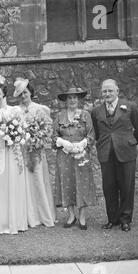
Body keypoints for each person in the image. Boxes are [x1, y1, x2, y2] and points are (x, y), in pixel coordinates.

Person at [91, 79, 138, 232]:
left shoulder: (130, 107)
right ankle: (112, 219)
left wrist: (131, 142)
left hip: (126, 152)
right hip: (106, 153)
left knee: (126, 186)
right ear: (101, 93)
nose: (107, 94)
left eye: (110, 90)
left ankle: (125, 219)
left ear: (117, 91)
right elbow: (96, 132)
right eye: (104, 91)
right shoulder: (96, 111)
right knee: (109, 187)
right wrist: (101, 144)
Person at [0, 74, 30, 234]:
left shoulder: (14, 110)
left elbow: (22, 130)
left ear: (4, 94)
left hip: (11, 153)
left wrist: (12, 135)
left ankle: (14, 221)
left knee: (12, 184)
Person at [13, 78, 56, 227]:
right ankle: (29, 216)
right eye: (20, 94)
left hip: (36, 151)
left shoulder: (40, 109)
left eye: (25, 92)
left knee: (38, 180)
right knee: (24, 182)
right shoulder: (16, 111)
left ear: (30, 92)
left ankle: (43, 215)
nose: (23, 96)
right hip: (22, 151)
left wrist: (37, 140)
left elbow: (47, 129)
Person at [53, 88, 97, 230]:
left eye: (75, 98)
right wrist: (62, 142)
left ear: (78, 100)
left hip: (81, 154)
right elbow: (53, 136)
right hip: (64, 155)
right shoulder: (60, 116)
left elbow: (91, 134)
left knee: (82, 183)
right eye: (70, 97)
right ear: (65, 100)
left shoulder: (85, 115)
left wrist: (83, 144)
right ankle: (71, 215)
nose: (72, 100)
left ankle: (82, 216)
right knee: (67, 183)